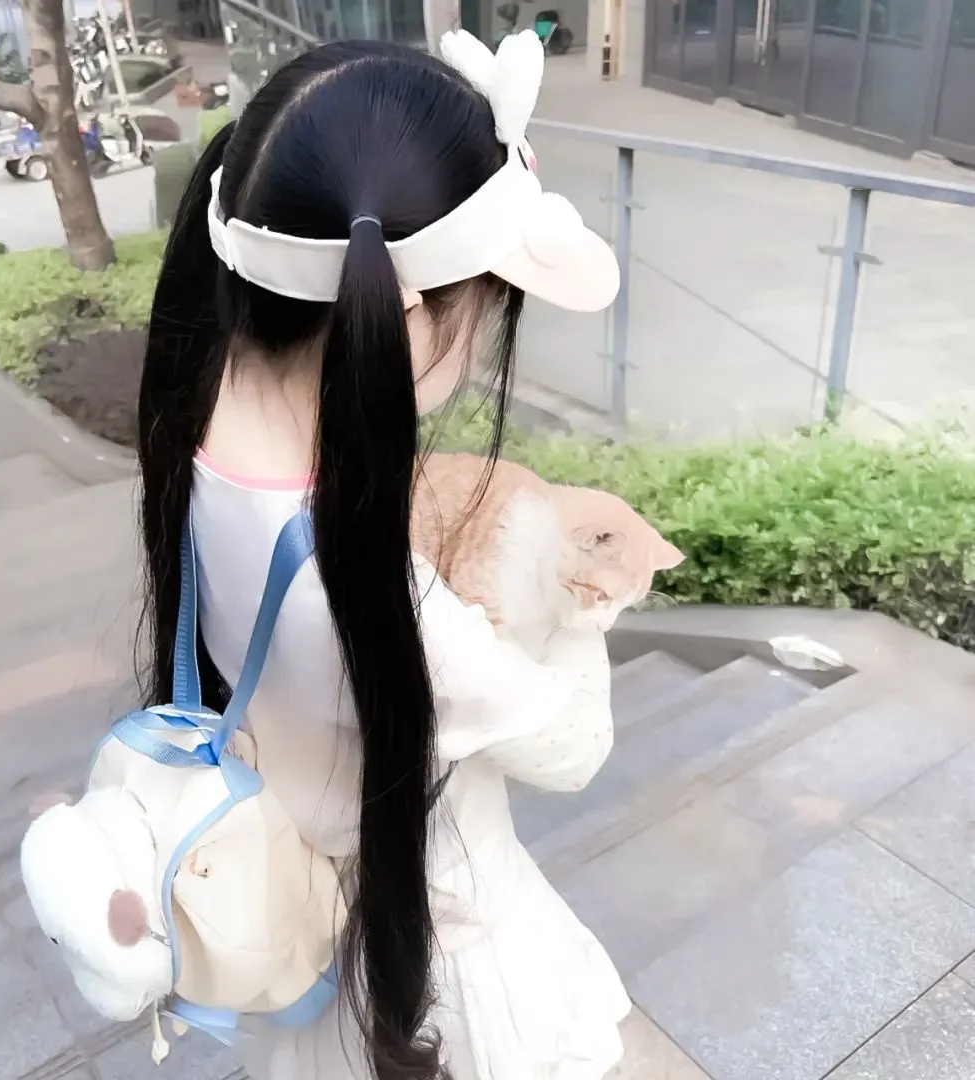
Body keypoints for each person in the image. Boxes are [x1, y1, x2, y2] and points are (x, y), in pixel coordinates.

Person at [136, 30, 630, 1080]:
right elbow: (573, 747)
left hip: (305, 931)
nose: (482, 341)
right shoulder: (387, 605)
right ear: (402, 322)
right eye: (483, 307)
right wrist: (584, 619)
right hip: (438, 974)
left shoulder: (191, 421)